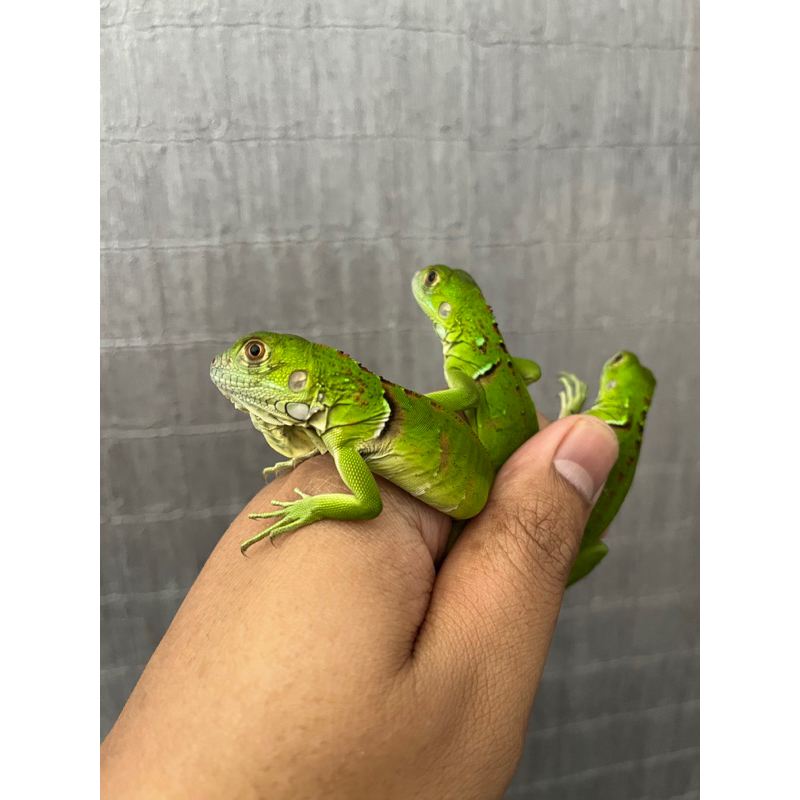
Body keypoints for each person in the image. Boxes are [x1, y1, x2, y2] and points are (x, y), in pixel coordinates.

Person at [101, 413, 618, 798]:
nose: (238, 367)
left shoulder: (350, 440)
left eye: (256, 356)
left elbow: (367, 503)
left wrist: (310, 506)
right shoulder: (346, 437)